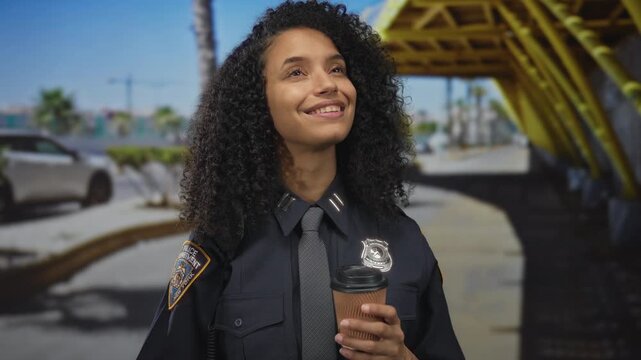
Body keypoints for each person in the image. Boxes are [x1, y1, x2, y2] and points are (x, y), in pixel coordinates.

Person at [137, 1, 464, 359]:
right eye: (296, 73)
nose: (328, 84)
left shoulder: (405, 238)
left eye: (337, 68)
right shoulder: (220, 240)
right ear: (258, 102)